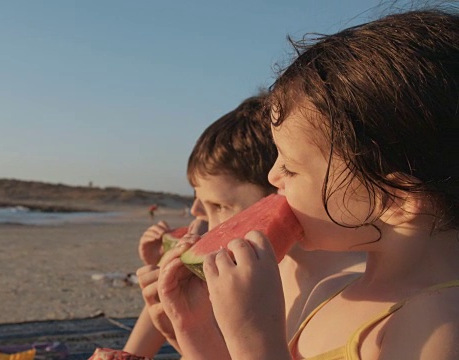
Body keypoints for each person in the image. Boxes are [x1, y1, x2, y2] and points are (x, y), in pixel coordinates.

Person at [158, 9, 459, 359]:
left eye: (292, 167)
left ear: (396, 199)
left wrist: (253, 338)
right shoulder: (329, 291)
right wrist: (194, 329)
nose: (273, 178)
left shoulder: (438, 324)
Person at [125, 94, 365, 357]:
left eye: (219, 206)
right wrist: (180, 328)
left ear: (281, 191)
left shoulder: (357, 292)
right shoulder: (249, 274)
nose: (204, 221)